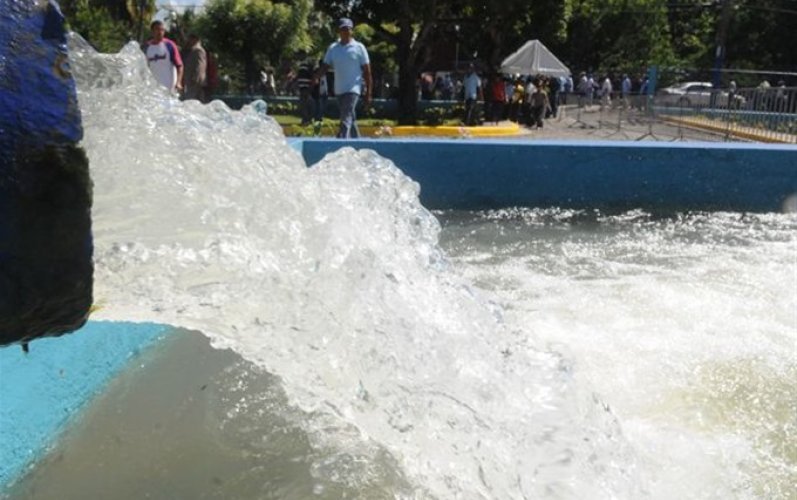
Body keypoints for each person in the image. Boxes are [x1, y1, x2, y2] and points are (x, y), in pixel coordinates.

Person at [314, 18, 372, 138]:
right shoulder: (333, 48)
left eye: (347, 29)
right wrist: (315, 77)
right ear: (339, 31)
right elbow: (325, 66)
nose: (345, 32)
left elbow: (367, 72)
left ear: (352, 31)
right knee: (351, 117)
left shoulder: (359, 47)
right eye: (342, 29)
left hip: (353, 89)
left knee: (345, 118)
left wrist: (368, 93)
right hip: (339, 90)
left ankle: (341, 141)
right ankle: (358, 143)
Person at [144, 20, 183, 94]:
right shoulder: (147, 47)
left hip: (169, 86)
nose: (160, 32)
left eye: (162, 30)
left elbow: (180, 65)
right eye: (157, 29)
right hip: (153, 87)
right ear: (152, 31)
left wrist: (178, 82)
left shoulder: (169, 45)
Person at [181, 34, 206, 101]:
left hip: (194, 82)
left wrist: (196, 78)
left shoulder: (198, 50)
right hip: (189, 82)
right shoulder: (190, 50)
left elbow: (200, 66)